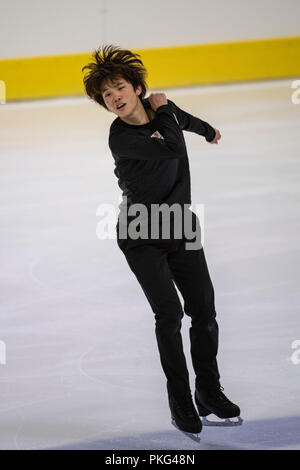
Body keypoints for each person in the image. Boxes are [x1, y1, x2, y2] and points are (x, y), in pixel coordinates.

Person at [82, 44, 242, 437]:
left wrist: (208, 131)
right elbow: (171, 141)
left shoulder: (163, 115)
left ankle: (208, 391)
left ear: (136, 88)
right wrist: (167, 108)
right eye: (106, 95)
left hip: (180, 226)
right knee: (169, 314)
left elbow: (180, 120)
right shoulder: (121, 137)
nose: (114, 97)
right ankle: (180, 401)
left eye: (119, 87)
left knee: (203, 309)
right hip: (141, 233)